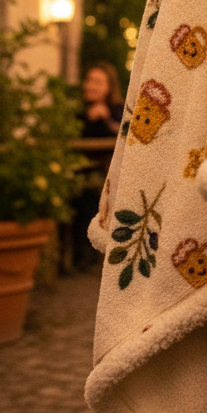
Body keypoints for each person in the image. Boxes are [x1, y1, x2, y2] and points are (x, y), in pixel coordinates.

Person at [69, 61, 124, 268]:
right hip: (77, 172)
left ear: (109, 87)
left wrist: (106, 119)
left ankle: (89, 255)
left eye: (98, 81)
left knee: (92, 196)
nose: (91, 85)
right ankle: (76, 256)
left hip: (107, 175)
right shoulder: (78, 110)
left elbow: (127, 135)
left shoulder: (118, 109)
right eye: (89, 80)